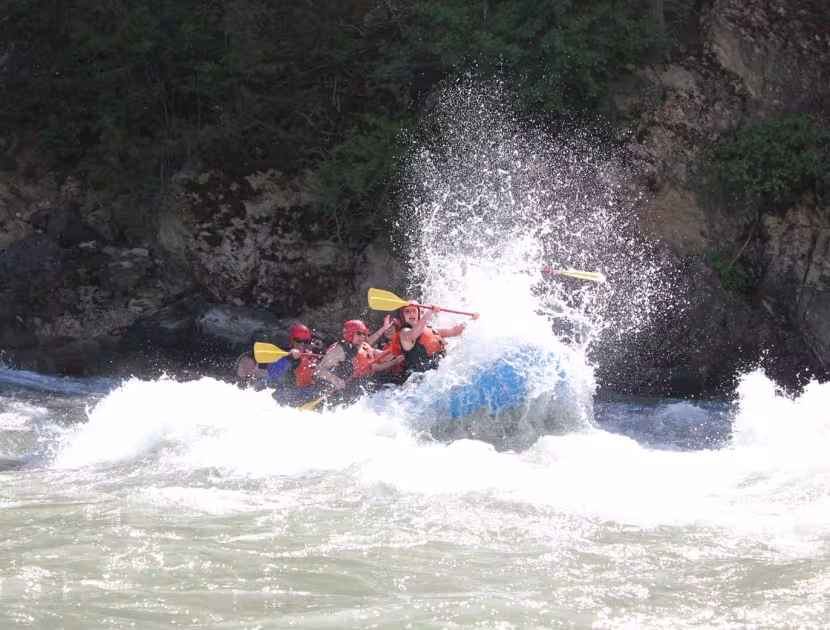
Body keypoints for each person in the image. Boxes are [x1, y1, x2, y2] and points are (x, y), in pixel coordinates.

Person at [389, 301, 474, 380]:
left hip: (439, 371)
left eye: (414, 310)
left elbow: (455, 331)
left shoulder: (431, 329)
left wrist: (470, 320)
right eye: (407, 311)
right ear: (403, 316)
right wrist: (429, 313)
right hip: (421, 378)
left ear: (419, 313)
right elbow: (414, 334)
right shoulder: (404, 333)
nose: (411, 313)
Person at [315, 319, 388, 406]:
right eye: (358, 333)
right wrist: (335, 380)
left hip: (353, 389)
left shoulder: (358, 346)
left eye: (364, 334)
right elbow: (319, 370)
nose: (362, 337)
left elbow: (373, 348)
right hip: (336, 394)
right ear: (349, 333)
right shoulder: (339, 349)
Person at [265, 323, 324, 406]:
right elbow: (273, 380)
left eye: (306, 341)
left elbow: (319, 370)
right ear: (292, 340)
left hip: (306, 394)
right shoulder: (283, 357)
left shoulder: (311, 356)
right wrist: (292, 359)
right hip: (288, 396)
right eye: (299, 340)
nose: (302, 344)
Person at [369, 315, 406, 386]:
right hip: (384, 378)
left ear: (397, 330)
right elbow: (374, 366)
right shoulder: (378, 346)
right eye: (387, 328)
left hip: (401, 376)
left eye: (392, 328)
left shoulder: (405, 344)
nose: (389, 330)